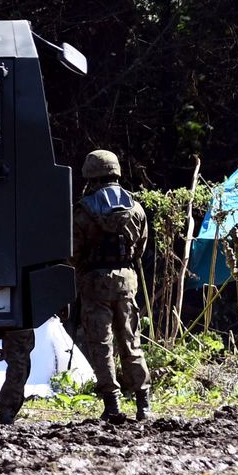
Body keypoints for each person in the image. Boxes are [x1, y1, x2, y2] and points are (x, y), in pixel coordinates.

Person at [73, 149, 151, 422]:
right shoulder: (136, 208)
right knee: (131, 341)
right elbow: (140, 249)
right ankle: (143, 403)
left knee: (101, 345)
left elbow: (73, 253)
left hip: (94, 283)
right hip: (127, 281)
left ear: (91, 175)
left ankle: (113, 404)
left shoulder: (83, 210)